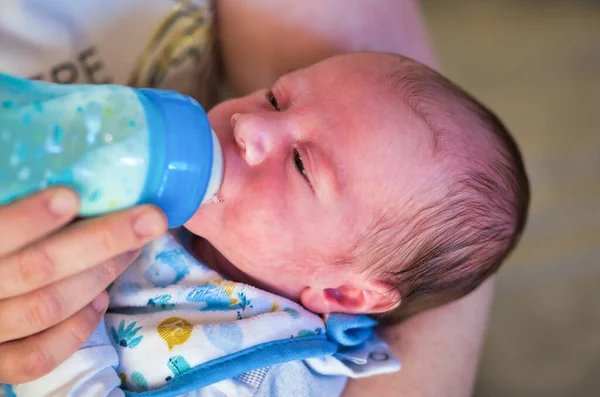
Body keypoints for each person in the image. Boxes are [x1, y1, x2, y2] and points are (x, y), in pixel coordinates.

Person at [0, 1, 499, 395]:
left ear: (344, 295)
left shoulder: (269, 371)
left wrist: (65, 332)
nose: (249, 124)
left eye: (302, 164)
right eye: (275, 98)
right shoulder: (192, 215)